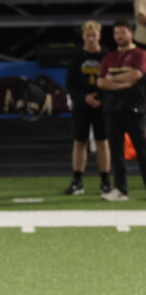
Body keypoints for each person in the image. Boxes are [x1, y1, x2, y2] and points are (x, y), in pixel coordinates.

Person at [97, 19, 146, 201]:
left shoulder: (140, 54)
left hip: (135, 109)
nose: (119, 36)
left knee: (142, 151)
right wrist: (122, 84)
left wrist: (113, 77)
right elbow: (101, 82)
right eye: (116, 33)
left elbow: (136, 74)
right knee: (116, 153)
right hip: (112, 110)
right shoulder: (109, 57)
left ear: (131, 33)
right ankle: (120, 190)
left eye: (123, 32)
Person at [65, 21, 112, 196]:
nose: (91, 39)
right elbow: (70, 84)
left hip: (102, 105)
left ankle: (105, 181)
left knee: (102, 141)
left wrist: (102, 98)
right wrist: (84, 97)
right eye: (88, 35)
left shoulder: (107, 56)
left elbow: (112, 80)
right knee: (79, 142)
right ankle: (77, 181)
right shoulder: (76, 57)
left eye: (94, 35)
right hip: (82, 105)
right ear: (83, 36)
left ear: (99, 35)